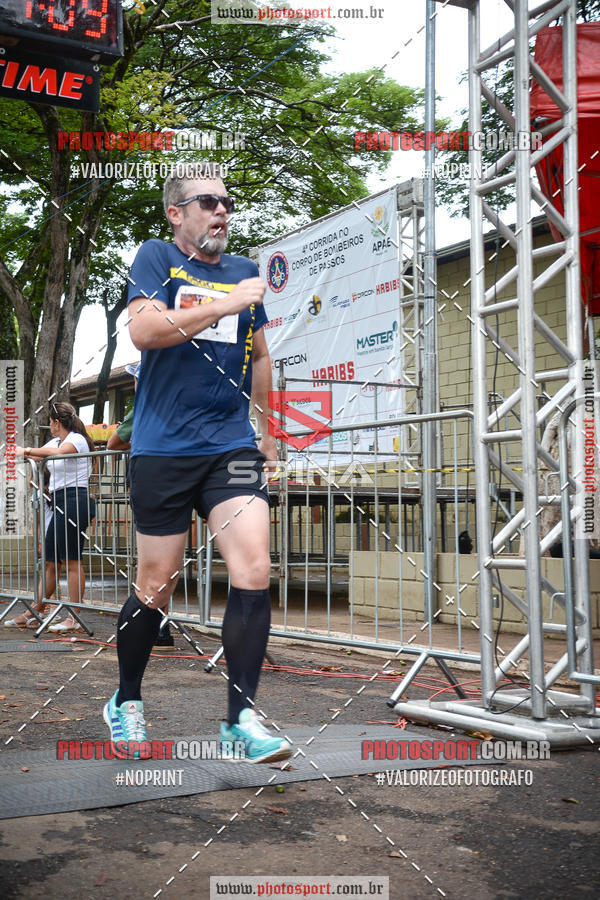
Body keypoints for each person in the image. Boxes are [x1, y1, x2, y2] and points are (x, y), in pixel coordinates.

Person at [103, 161, 290, 763]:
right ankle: (126, 698)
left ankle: (240, 719)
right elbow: (144, 331)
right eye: (207, 201)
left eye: (227, 202)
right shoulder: (158, 257)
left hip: (230, 446)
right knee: (157, 583)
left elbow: (260, 355)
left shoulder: (244, 270)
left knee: (254, 566)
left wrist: (264, 430)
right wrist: (223, 303)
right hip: (162, 446)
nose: (221, 211)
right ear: (176, 212)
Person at [8, 402, 96, 632]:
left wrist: (25, 451)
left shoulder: (75, 439)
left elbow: (55, 454)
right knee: (51, 563)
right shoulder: (56, 440)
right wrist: (25, 456)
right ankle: (34, 612)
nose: (49, 426)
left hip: (74, 500)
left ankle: (74, 616)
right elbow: (41, 456)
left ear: (56, 423)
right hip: (58, 501)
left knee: (71, 560)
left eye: (50, 422)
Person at [107, 363, 175, 649]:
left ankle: (152, 625)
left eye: (135, 379)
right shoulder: (174, 401)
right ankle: (160, 625)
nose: (133, 384)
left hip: (150, 483)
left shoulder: (143, 406)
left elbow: (112, 443)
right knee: (166, 559)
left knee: (152, 561)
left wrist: (136, 441)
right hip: (175, 481)